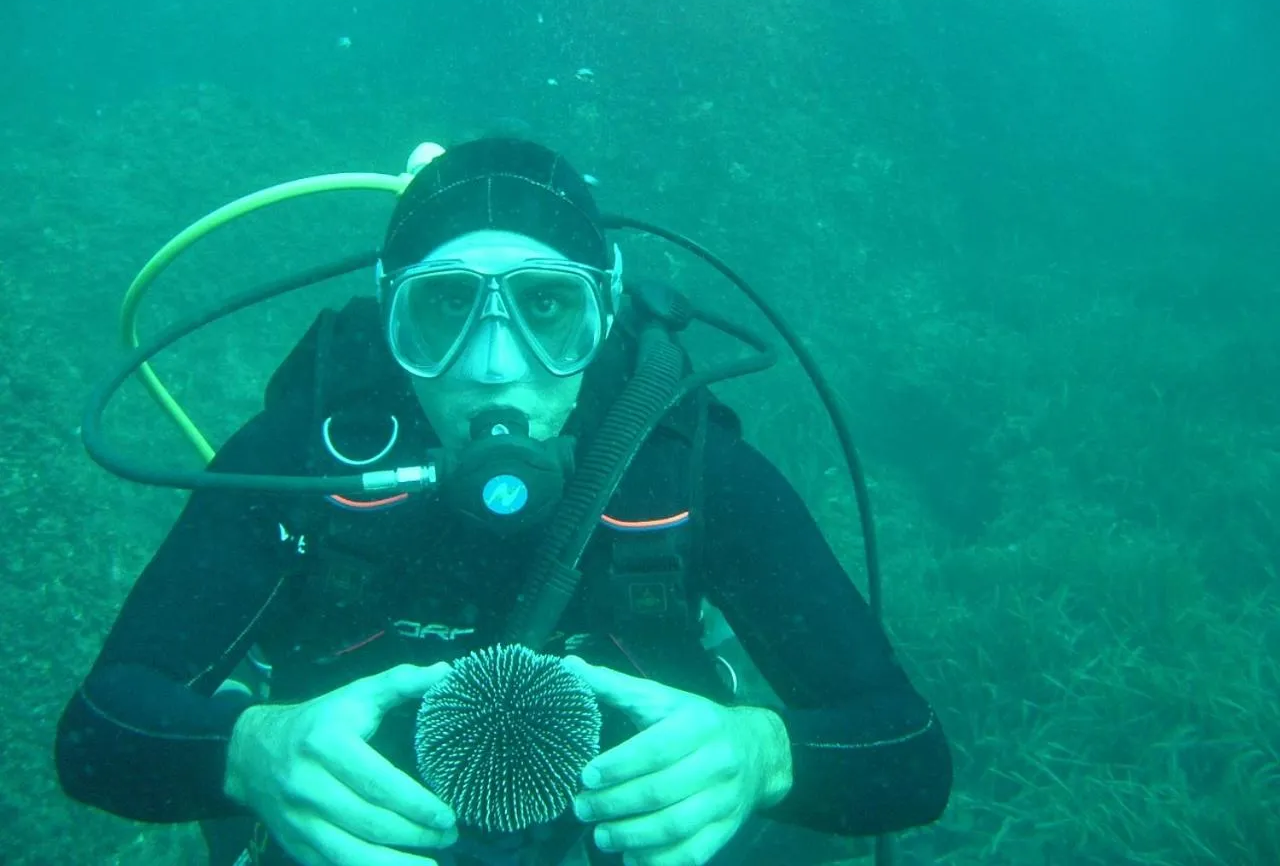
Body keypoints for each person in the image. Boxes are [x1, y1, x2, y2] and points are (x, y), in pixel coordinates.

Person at [55, 137, 952, 866]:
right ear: (390, 321)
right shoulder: (308, 456)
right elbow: (98, 733)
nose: (496, 365)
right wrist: (249, 754)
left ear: (602, 315)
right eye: (443, 309)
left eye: (546, 309)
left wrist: (764, 756)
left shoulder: (684, 469)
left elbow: (909, 755)